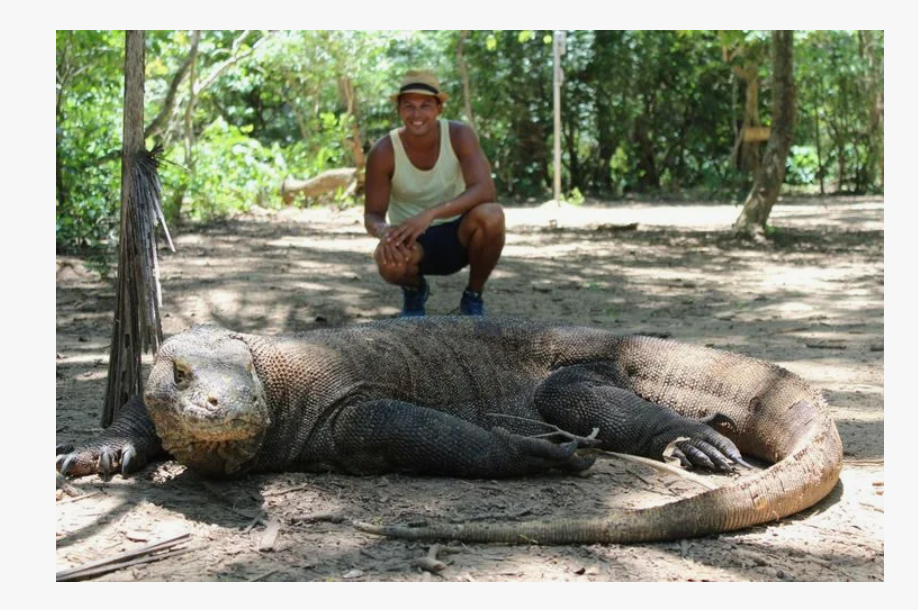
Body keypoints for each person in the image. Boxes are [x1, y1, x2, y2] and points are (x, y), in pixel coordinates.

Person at [364, 69, 505, 317]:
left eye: (425, 105)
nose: (417, 114)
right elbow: (372, 215)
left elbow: (485, 189)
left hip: (460, 233)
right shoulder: (384, 151)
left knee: (492, 215)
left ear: (439, 108)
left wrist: (431, 214)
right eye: (409, 106)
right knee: (387, 260)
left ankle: (473, 296)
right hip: (411, 240)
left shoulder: (459, 135)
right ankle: (415, 290)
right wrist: (385, 232)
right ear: (398, 110)